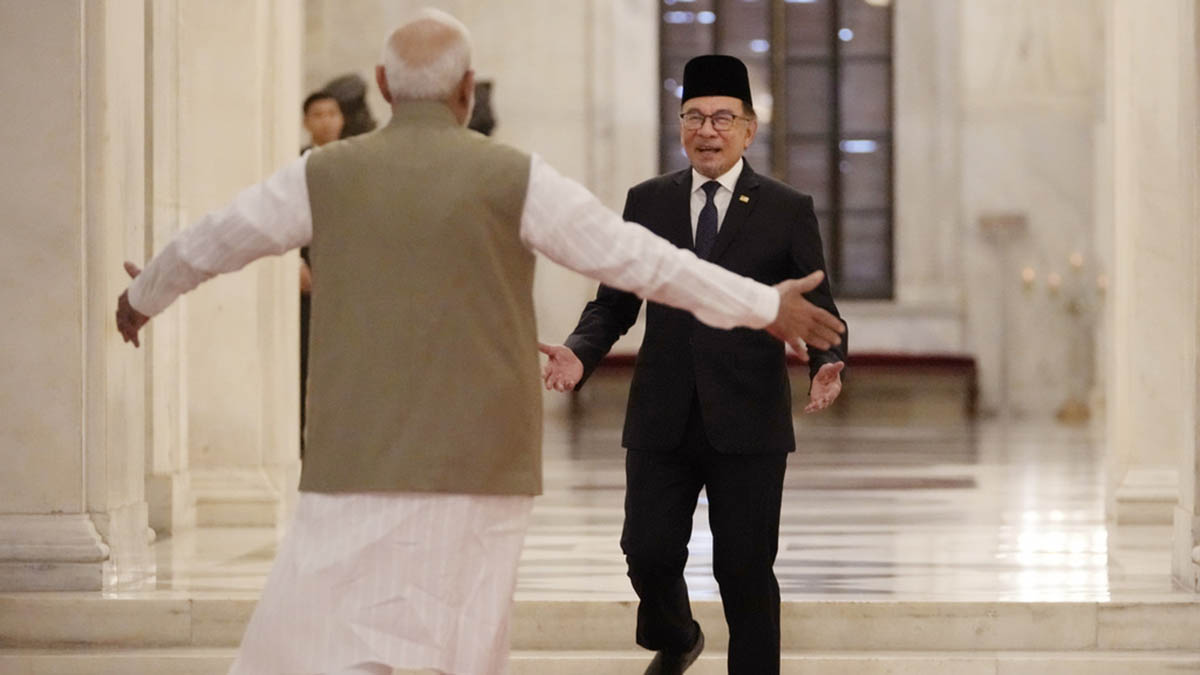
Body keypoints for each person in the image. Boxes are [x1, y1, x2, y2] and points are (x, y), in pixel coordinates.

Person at [115, 13, 844, 675]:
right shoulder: (515, 176)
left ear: (380, 87)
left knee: (324, 634)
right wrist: (760, 305)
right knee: (461, 639)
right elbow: (635, 260)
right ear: (468, 89)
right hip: (483, 454)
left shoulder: (321, 173)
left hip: (351, 450)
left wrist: (144, 292)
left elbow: (219, 237)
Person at [539, 54, 848, 675]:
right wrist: (580, 349)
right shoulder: (647, 201)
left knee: (744, 571)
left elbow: (815, 302)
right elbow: (615, 302)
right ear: (680, 124)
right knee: (646, 552)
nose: (708, 131)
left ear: (748, 129)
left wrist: (827, 358)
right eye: (695, 117)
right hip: (663, 412)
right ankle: (677, 637)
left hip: (748, 417)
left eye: (722, 118)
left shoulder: (786, 207)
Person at [298, 89, 345, 453]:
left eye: (332, 113)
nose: (326, 121)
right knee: (302, 361)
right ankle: (301, 443)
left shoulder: (356, 164)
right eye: (318, 114)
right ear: (306, 122)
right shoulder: (297, 165)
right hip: (307, 281)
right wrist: (293, 264)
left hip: (347, 281)